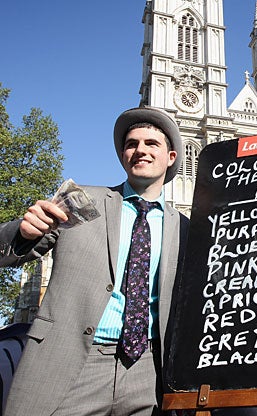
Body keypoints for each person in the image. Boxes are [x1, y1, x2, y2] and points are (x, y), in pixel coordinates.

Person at [0, 106, 189, 415]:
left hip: (148, 373)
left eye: (151, 144)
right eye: (132, 144)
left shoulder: (185, 228)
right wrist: (21, 231)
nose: (140, 150)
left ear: (171, 158)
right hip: (71, 363)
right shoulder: (81, 199)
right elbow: (13, 252)